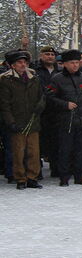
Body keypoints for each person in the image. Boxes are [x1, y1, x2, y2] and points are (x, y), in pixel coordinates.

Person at [47, 50, 82, 186]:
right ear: (64, 64)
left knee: (81, 150)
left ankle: (80, 175)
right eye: (72, 63)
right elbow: (49, 98)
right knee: (65, 150)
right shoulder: (57, 79)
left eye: (77, 62)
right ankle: (64, 176)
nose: (75, 65)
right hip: (66, 121)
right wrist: (65, 104)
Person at [0, 50, 46, 189]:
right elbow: (4, 104)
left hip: (32, 119)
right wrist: (11, 122)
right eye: (19, 62)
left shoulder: (34, 77)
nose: (23, 64)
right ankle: (20, 177)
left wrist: (40, 107)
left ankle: (32, 177)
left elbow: (41, 96)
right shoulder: (5, 80)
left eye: (24, 62)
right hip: (17, 120)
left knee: (34, 151)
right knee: (18, 152)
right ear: (12, 65)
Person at [34, 45, 60, 177]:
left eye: (52, 55)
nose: (50, 57)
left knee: (56, 141)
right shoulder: (35, 70)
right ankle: (36, 170)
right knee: (38, 142)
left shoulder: (59, 71)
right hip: (41, 111)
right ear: (41, 56)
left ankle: (56, 168)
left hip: (56, 110)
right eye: (47, 55)